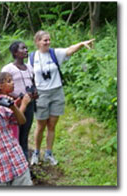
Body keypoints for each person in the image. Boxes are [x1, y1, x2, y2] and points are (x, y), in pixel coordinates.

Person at [29, 30, 95, 166]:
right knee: (41, 126)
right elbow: (29, 76)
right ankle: (36, 152)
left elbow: (69, 50)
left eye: (48, 40)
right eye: (44, 40)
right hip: (41, 94)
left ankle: (48, 153)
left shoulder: (54, 53)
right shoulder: (32, 57)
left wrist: (81, 44)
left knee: (52, 125)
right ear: (37, 42)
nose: (48, 42)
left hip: (57, 92)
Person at [2, 41, 38, 160]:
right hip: (15, 105)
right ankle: (16, 160)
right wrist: (19, 97)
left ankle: (24, 161)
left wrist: (35, 91)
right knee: (15, 133)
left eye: (26, 48)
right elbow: (2, 87)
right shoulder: (8, 69)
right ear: (15, 53)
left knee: (25, 133)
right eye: (23, 49)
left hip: (29, 104)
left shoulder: (29, 67)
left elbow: (33, 82)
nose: (26, 50)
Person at [0, 72, 31, 140]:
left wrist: (15, 103)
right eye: (9, 81)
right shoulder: (6, 100)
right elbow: (17, 118)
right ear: (0, 86)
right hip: (11, 133)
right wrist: (24, 104)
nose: (13, 83)